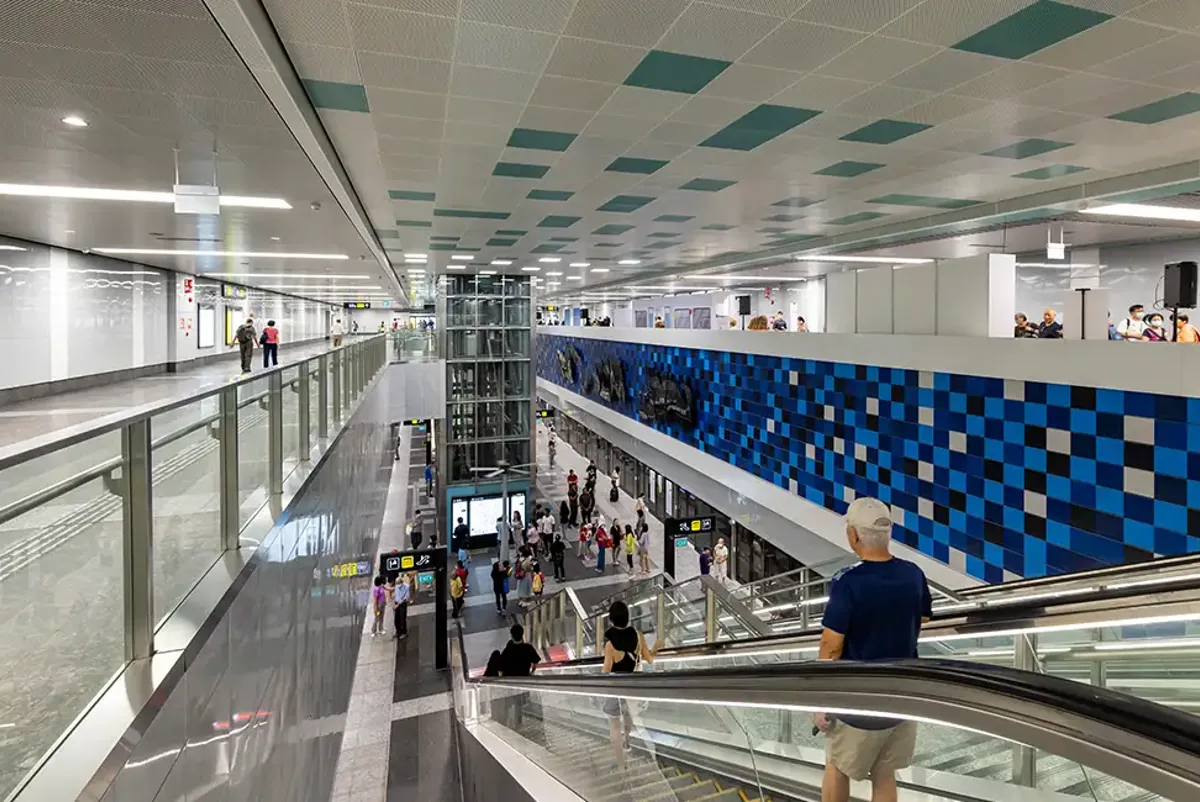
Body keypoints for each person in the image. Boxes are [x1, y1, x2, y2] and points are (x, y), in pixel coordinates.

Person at [814, 497, 932, 802]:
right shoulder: (913, 574)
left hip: (858, 699)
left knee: (837, 766)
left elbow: (831, 646)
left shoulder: (848, 582)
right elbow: (921, 617)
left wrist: (822, 701)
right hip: (902, 697)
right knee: (884, 773)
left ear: (854, 535)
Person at [602, 601, 664, 768]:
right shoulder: (638, 636)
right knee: (629, 715)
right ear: (627, 618)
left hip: (615, 689)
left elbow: (606, 672)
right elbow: (649, 659)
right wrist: (656, 648)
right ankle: (627, 741)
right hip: (631, 687)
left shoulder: (610, 646)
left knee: (614, 725)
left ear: (611, 620)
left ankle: (622, 765)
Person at [499, 624, 542, 728]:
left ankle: (505, 722)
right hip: (523, 681)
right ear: (522, 634)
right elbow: (536, 661)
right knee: (519, 703)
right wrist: (532, 672)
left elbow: (500, 668)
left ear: (512, 636)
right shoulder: (528, 648)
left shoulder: (507, 650)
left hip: (509, 682)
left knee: (508, 702)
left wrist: (501, 680)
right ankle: (518, 722)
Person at [392, 572, 411, 639]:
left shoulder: (406, 587)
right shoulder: (397, 586)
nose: (397, 585)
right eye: (396, 584)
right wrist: (395, 604)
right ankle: (398, 632)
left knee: (402, 619)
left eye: (398, 583)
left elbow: (406, 598)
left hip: (402, 604)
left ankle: (404, 632)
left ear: (401, 582)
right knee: (396, 619)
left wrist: (398, 604)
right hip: (397, 603)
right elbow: (396, 594)